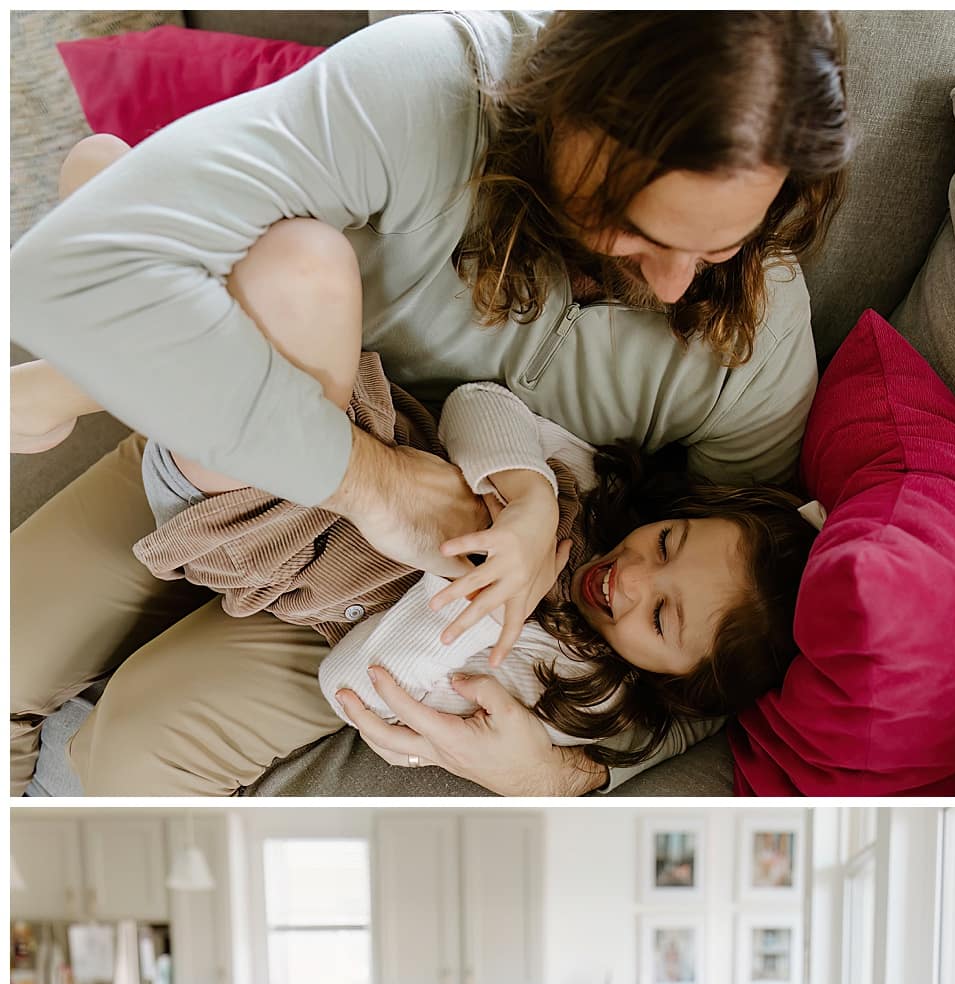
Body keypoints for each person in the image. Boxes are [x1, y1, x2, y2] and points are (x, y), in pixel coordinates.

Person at [10, 11, 850, 799]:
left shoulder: (757, 329)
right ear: (575, 125)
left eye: (720, 246)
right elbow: (60, 277)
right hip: (262, 425)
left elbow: (732, 644)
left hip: (380, 597)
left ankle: (88, 347)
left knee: (136, 742)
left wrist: (568, 775)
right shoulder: (429, 87)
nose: (674, 286)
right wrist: (372, 482)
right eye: (642, 230)